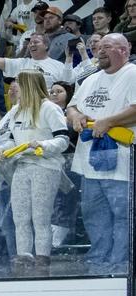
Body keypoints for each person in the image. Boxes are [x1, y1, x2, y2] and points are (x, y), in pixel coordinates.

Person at [65, 34, 136, 275]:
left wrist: (108, 121)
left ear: (125, 50)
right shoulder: (91, 79)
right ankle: (99, 260)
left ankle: (122, 263)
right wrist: (75, 116)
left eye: (107, 46)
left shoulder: (132, 74)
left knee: (122, 215)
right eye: (98, 47)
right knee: (94, 214)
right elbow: (72, 106)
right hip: (88, 162)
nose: (99, 50)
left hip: (122, 162)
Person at [0, 70, 70, 277]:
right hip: (21, 166)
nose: (14, 87)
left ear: (30, 85)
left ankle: (43, 262)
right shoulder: (17, 111)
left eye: (18, 83)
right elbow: (7, 137)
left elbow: (63, 140)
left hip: (45, 167)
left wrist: (41, 145)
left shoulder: (49, 109)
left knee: (40, 217)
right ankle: (23, 259)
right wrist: (3, 151)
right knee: (20, 217)